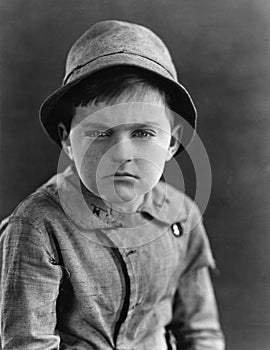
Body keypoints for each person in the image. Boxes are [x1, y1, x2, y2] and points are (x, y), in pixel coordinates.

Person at [0, 20, 225, 350]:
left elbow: (200, 331)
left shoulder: (181, 217)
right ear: (68, 141)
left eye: (143, 133)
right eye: (99, 132)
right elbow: (28, 345)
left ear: (172, 143)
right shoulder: (38, 227)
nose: (121, 154)